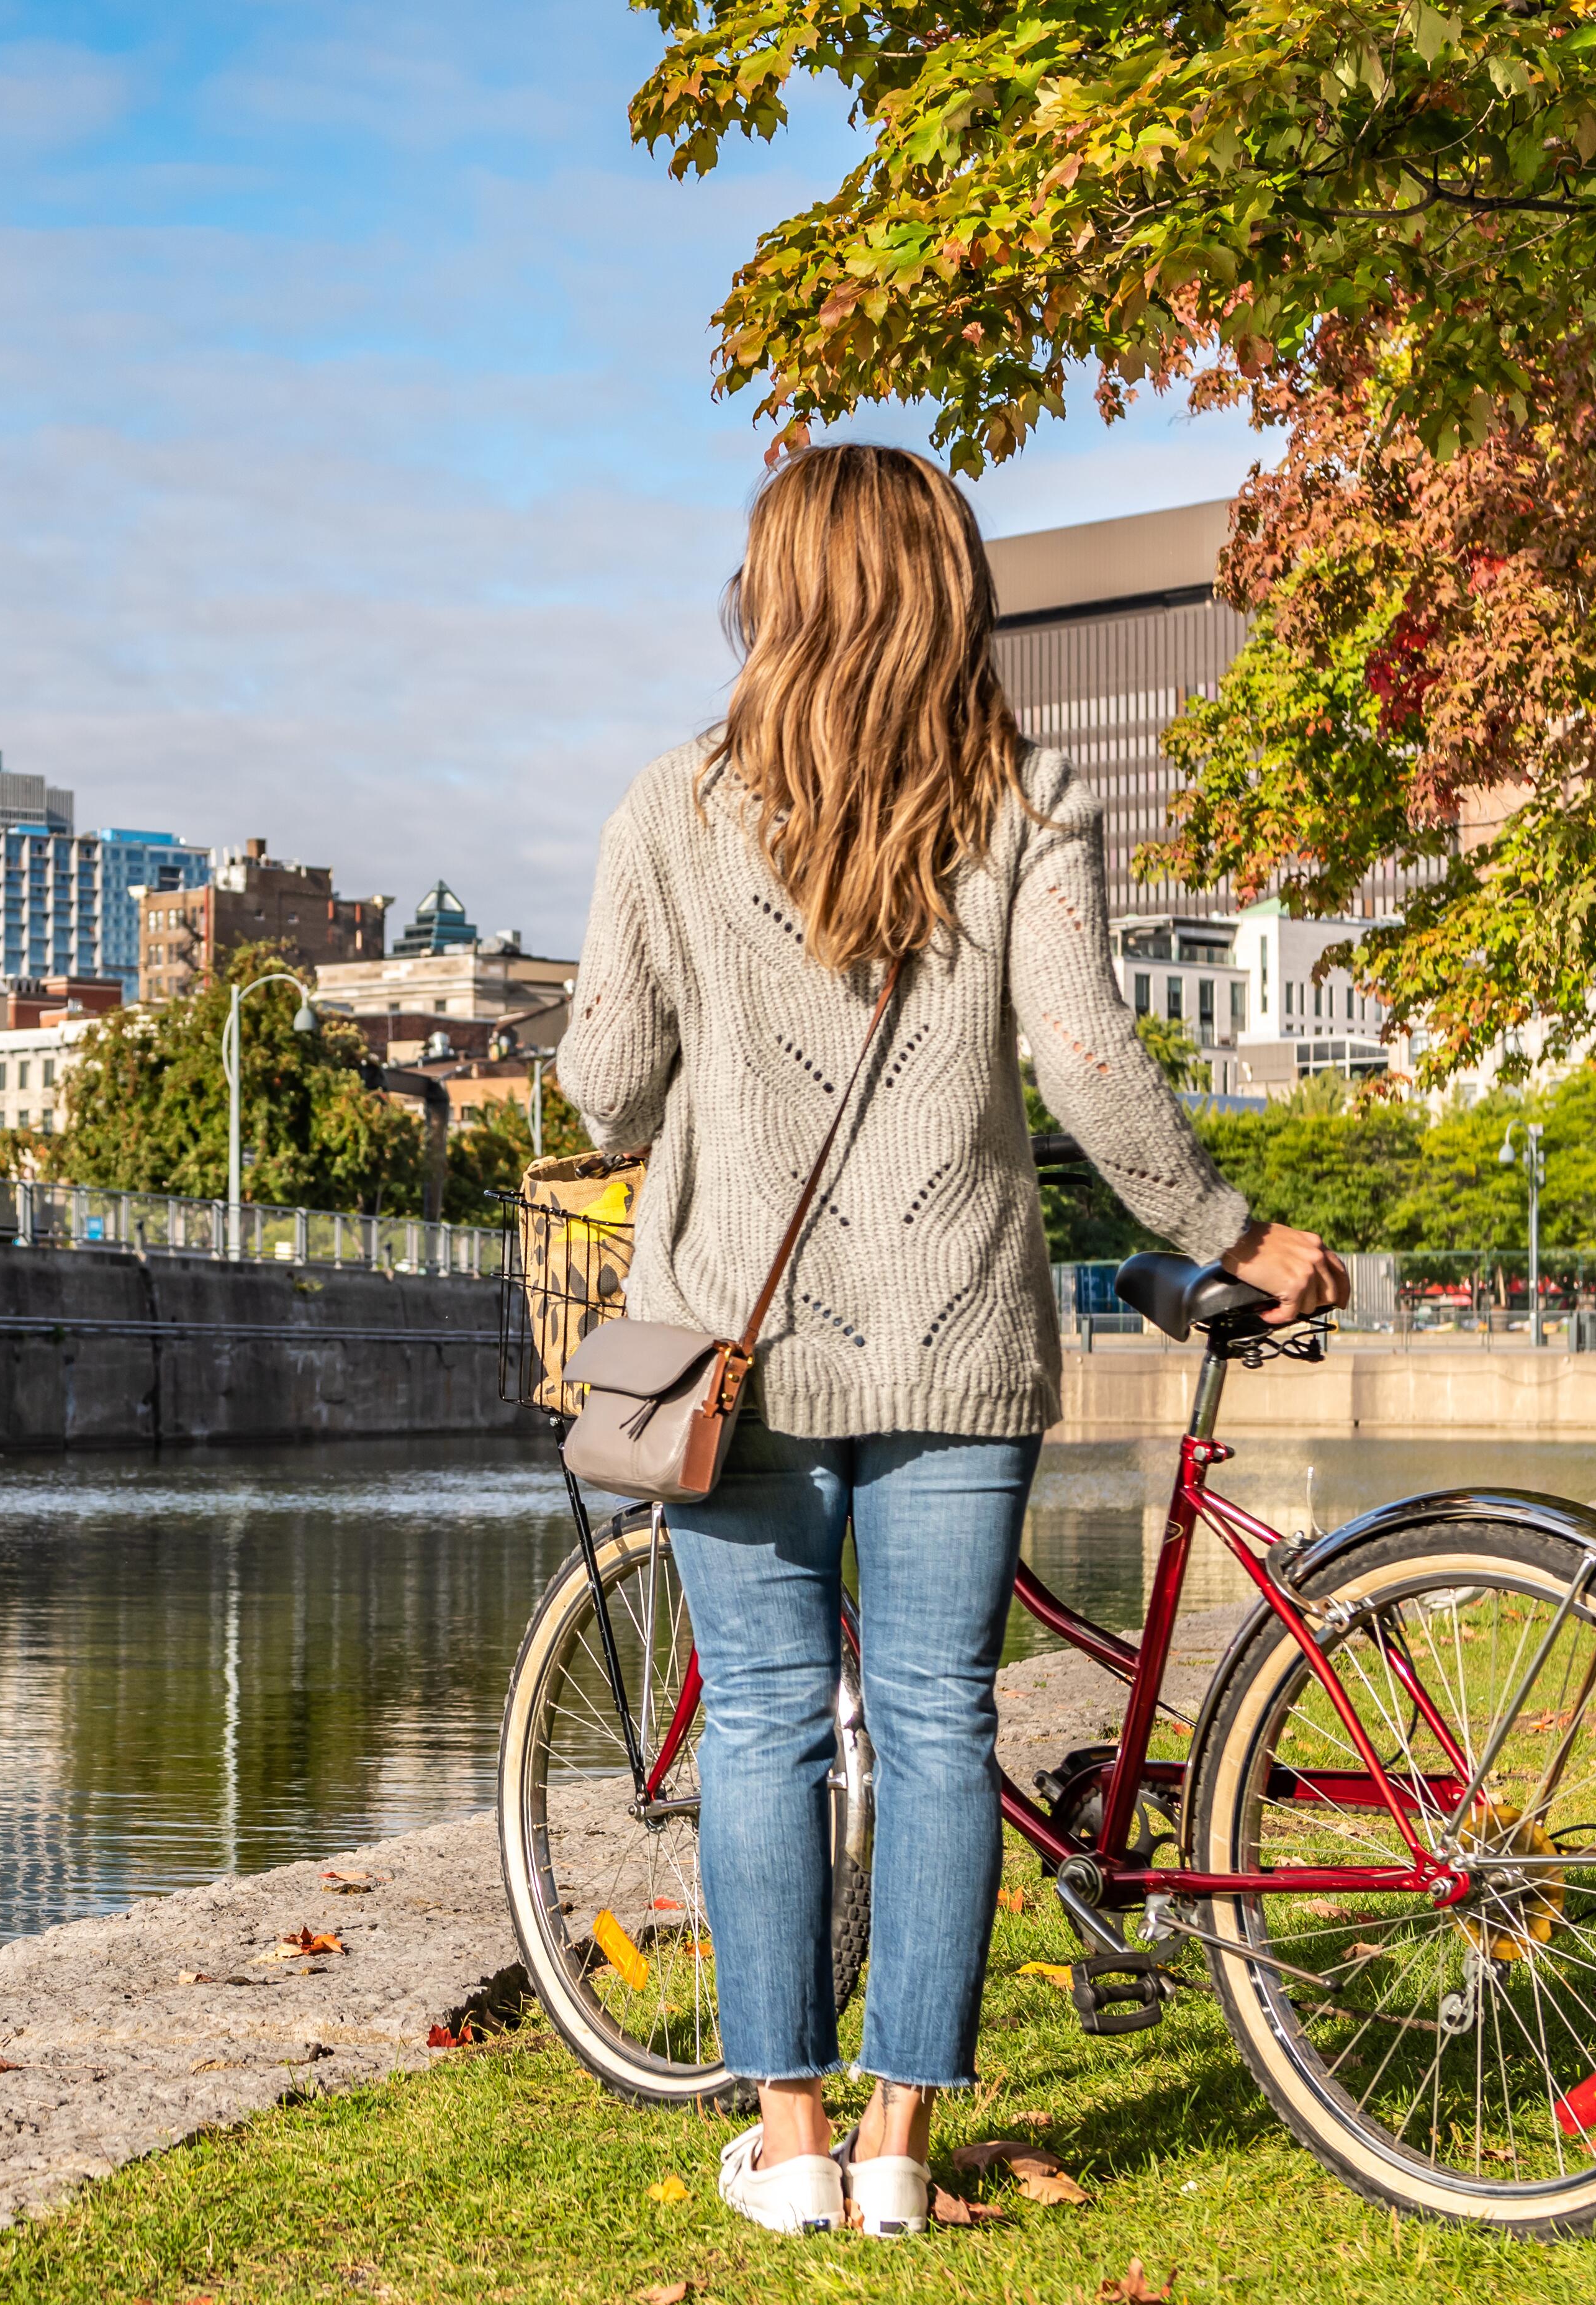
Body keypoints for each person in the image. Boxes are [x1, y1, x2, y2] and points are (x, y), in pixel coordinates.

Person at [556, 445, 1347, 2239]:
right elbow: (1089, 1071)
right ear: (947, 592)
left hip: (727, 1360)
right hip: (961, 1339)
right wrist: (1225, 1231)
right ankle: (907, 2150)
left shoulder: (666, 810)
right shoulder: (1023, 796)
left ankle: (793, 2139)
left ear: (775, 596)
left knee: (760, 1728)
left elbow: (600, 1084)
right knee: (932, 1721)